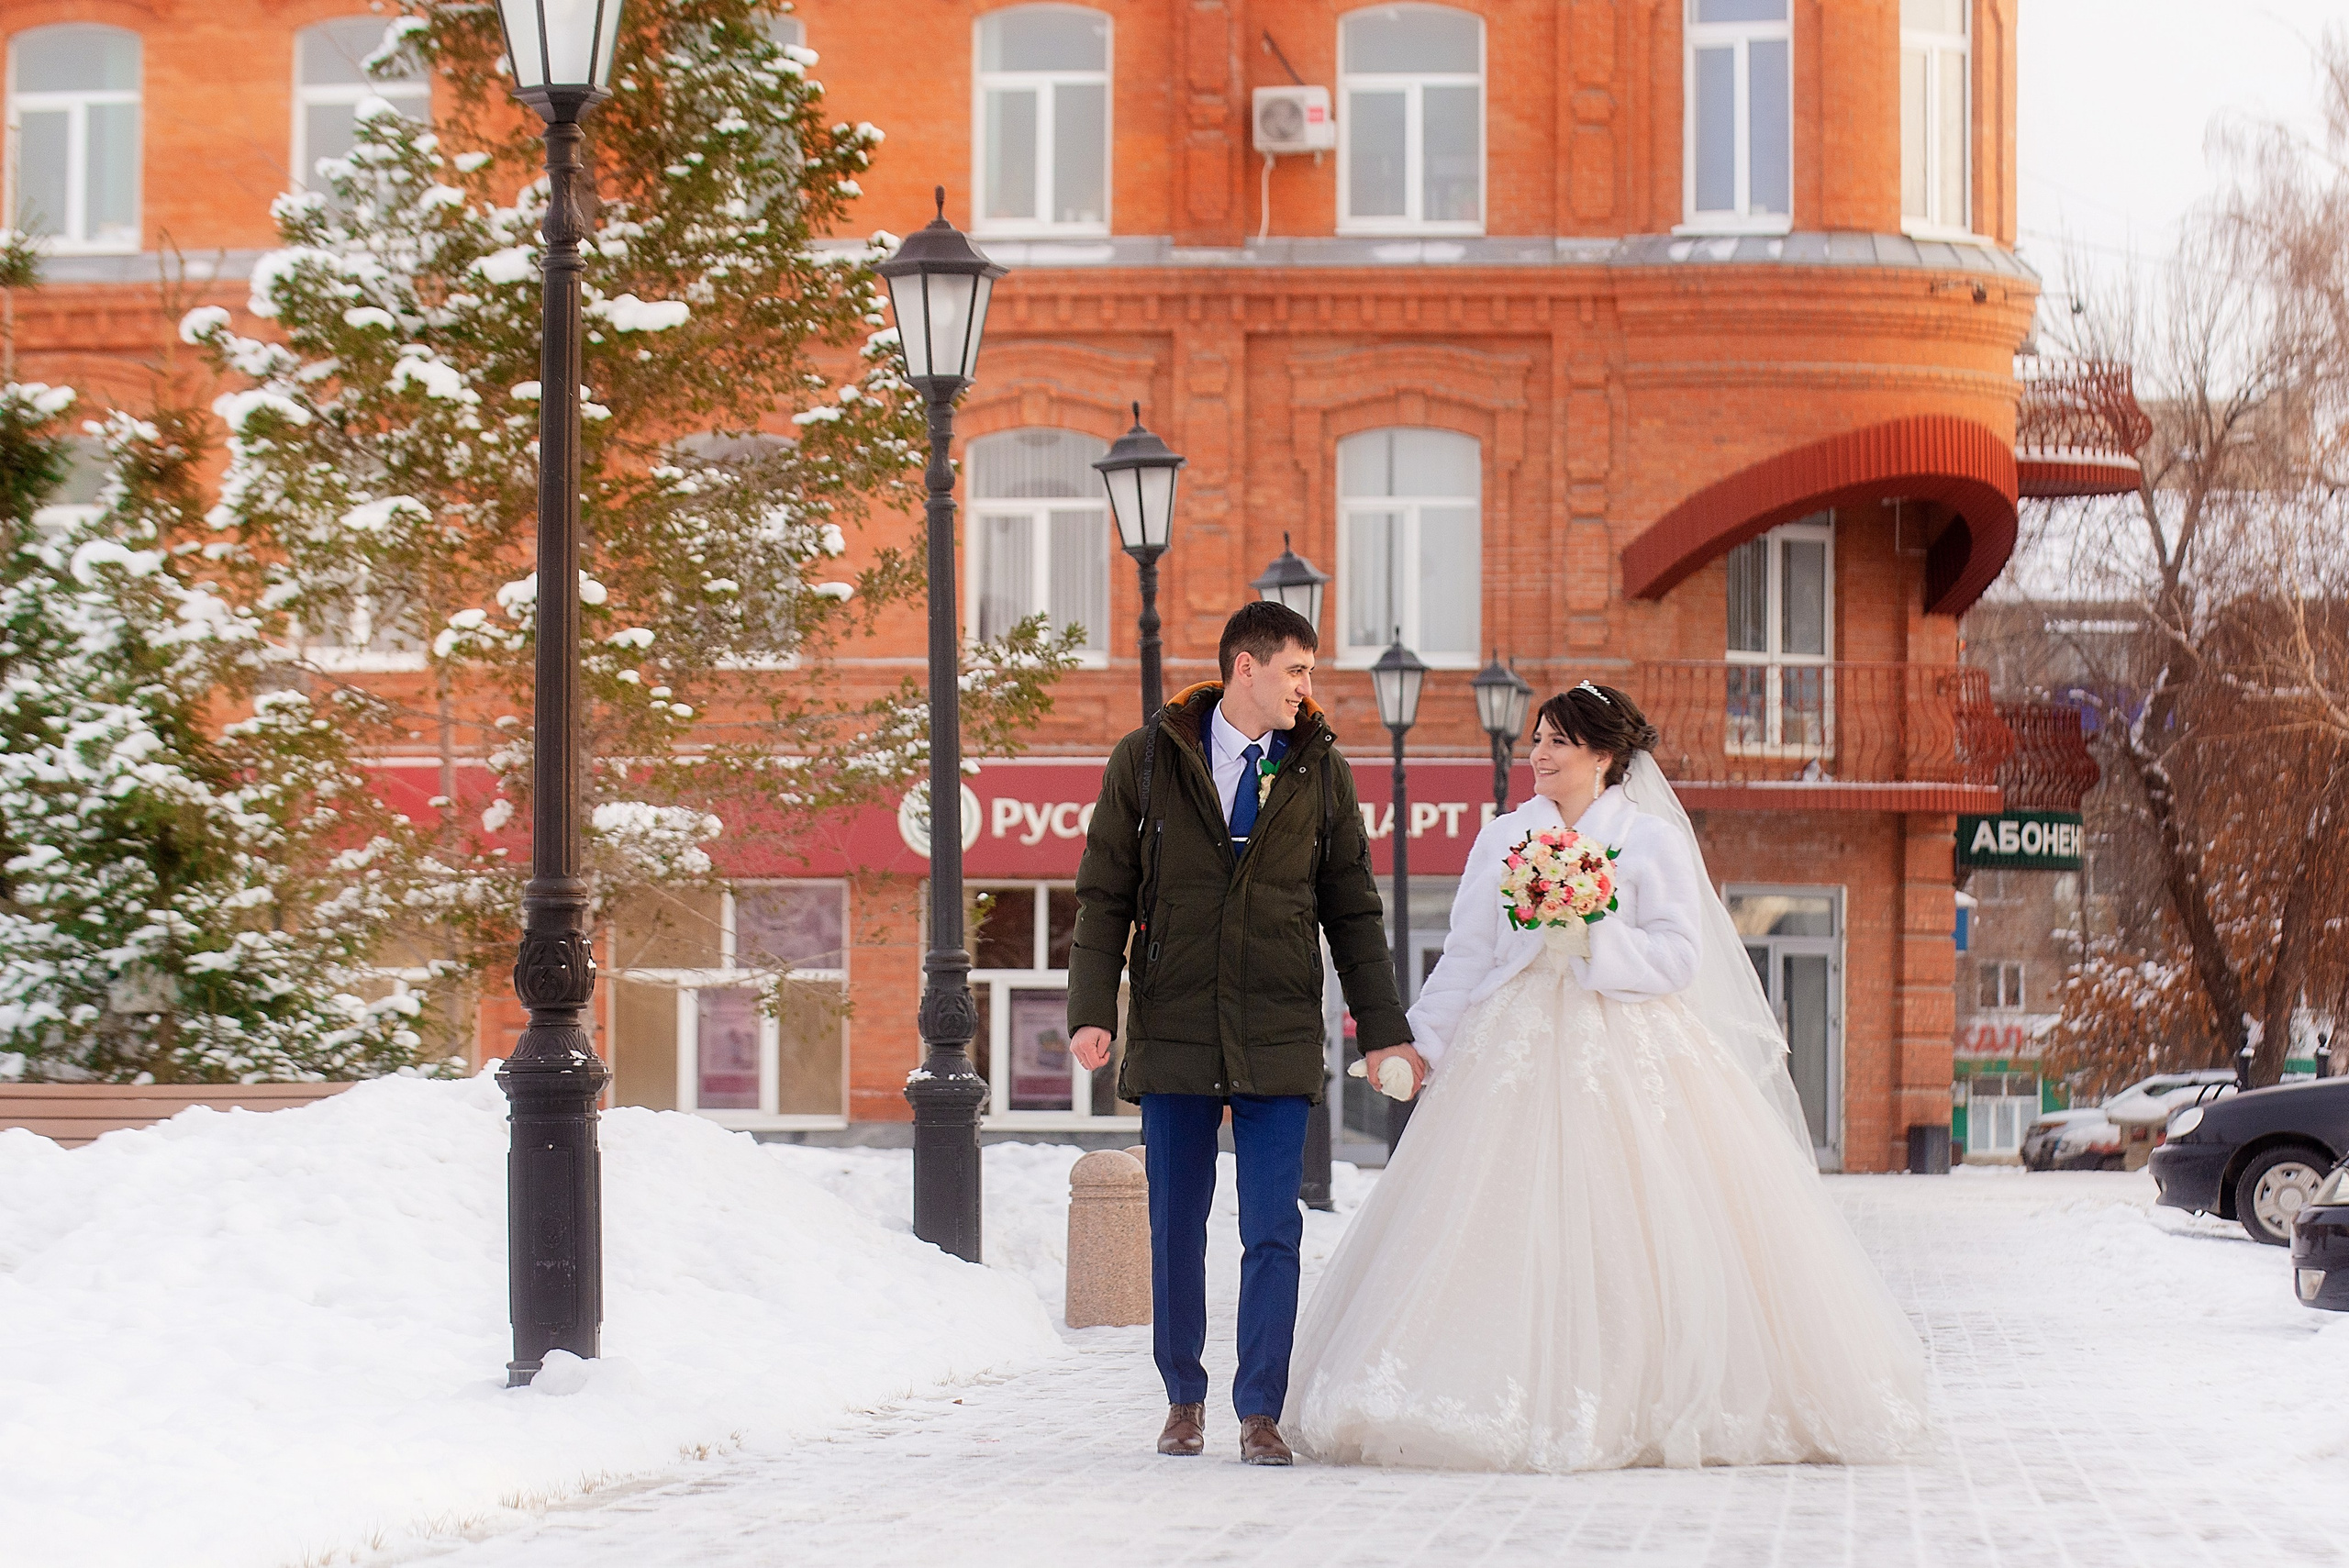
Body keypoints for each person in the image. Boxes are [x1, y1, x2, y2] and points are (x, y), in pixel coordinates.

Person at [1285, 682, 1929, 1472]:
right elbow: (1467, 954)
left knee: (1640, 1211)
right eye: (1537, 739)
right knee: (1493, 1207)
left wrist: (1591, 934)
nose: (1540, 754)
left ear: (1604, 754)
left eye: (1558, 741)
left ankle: (1646, 1387)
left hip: (1625, 1037)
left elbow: (1680, 956)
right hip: (1514, 1037)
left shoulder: (1652, 842)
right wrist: (1421, 1044)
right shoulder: (1501, 839)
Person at [1067, 601, 1420, 1466]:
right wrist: (1088, 1009)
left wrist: (1384, 1033)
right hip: (1177, 1025)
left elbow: (1352, 911)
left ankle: (1260, 1409)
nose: (1308, 688)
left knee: (1274, 1228)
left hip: (1278, 1028)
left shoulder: (1321, 771)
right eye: (1297, 670)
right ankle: (1182, 1397)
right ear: (1246, 669)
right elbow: (1104, 893)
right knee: (1176, 1225)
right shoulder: (1145, 762)